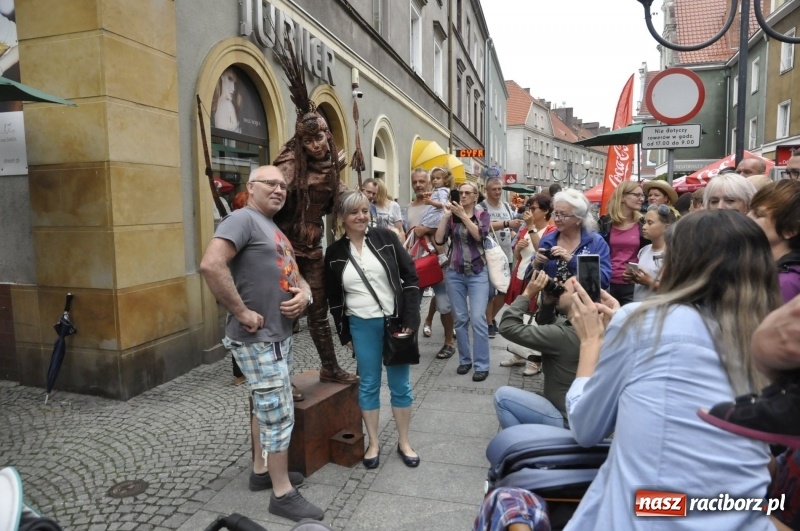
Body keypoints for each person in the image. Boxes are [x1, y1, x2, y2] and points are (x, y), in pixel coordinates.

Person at [564, 210, 783, 530]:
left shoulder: (643, 322)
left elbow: (586, 427)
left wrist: (592, 342)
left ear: (682, 263)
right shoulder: (768, 339)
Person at [199, 166, 324, 522]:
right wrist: (241, 311)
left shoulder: (272, 227)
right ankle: (282, 493)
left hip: (277, 335)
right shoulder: (242, 219)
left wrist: (305, 293)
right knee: (278, 413)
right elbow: (211, 265)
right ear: (251, 187)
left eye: (283, 186)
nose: (279, 189)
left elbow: (294, 273)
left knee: (262, 403)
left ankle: (260, 471)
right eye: (271, 183)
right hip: (259, 338)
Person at [271, 42, 358, 385]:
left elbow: (339, 200)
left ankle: (329, 368)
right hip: (286, 248)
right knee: (287, 315)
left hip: (314, 247)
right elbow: (274, 193)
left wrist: (358, 206)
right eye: (310, 141)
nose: (318, 144)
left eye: (321, 136)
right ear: (301, 143)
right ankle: (281, 379)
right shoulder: (291, 164)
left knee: (319, 311)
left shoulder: (332, 167)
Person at [324, 191, 421, 469]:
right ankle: (374, 443)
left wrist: (411, 321)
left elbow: (410, 277)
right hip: (361, 325)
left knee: (400, 385)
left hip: (395, 323)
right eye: (354, 212)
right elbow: (334, 299)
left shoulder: (386, 239)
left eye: (365, 211)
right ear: (342, 217)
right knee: (368, 384)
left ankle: (404, 442)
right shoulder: (333, 253)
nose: (361, 217)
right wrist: (345, 335)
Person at [495, 270, 580, 428]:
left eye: (564, 290)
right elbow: (550, 323)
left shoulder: (562, 335)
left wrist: (527, 294)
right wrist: (548, 304)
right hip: (577, 414)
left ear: (577, 297)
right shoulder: (584, 326)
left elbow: (507, 327)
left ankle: (523, 448)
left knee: (503, 397)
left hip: (565, 419)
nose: (558, 291)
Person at [435, 181, 492, 381]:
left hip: (478, 272)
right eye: (461, 192)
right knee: (460, 319)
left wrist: (463, 217)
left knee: (477, 318)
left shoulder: (482, 215)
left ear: (476, 196)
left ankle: (482, 365)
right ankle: (465, 360)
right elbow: (439, 240)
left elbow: (480, 235)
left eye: (468, 193)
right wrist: (446, 216)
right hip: (454, 272)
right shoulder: (452, 216)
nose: (464, 195)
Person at [501, 193, 556, 376]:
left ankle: (534, 360)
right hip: (521, 275)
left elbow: (543, 250)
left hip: (537, 278)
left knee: (533, 318)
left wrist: (531, 227)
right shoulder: (525, 229)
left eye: (533, 209)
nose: (529, 212)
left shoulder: (550, 230)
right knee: (520, 315)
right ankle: (519, 353)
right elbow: (519, 256)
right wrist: (517, 249)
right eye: (529, 208)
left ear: (546, 211)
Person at [407, 168, 455, 360]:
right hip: (416, 264)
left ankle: (449, 342)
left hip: (437, 262)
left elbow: (449, 225)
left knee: (444, 305)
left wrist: (426, 228)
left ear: (430, 183)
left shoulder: (441, 201)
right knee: (414, 305)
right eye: (415, 182)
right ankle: (412, 345)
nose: (418, 185)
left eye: (422, 181)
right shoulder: (409, 207)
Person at [534, 189, 611, 289]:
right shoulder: (547, 240)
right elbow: (529, 277)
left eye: (563, 215)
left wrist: (571, 260)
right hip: (550, 303)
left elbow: (604, 280)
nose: (557, 219)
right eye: (556, 214)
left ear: (578, 219)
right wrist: (536, 263)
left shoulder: (596, 242)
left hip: (584, 303)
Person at [481, 177, 523, 338]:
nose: (497, 192)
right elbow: (483, 228)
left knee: (505, 290)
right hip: (489, 256)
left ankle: (490, 317)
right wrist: (507, 223)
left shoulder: (506, 205)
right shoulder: (482, 207)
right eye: (494, 189)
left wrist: (515, 235)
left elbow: (510, 227)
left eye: (499, 189)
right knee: (490, 292)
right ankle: (489, 323)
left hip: (506, 254)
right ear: (487, 190)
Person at [747, 179, 800, 302]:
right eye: (750, 210)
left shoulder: (786, 284)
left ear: (791, 230)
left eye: (758, 215)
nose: (747, 217)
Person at [597, 182, 646, 305]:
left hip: (632, 283)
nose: (641, 199)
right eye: (637, 195)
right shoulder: (605, 222)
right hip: (607, 282)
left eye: (642, 195)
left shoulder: (643, 223)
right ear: (623, 197)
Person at [626, 204, 676, 301]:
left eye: (650, 223)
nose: (644, 227)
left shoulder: (671, 253)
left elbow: (673, 288)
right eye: (644, 222)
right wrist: (633, 277)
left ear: (666, 227)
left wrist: (649, 282)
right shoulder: (644, 250)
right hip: (639, 308)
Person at [418, 166, 452, 230]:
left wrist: (431, 202)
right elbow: (436, 196)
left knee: (427, 231)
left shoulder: (443, 191)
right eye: (433, 178)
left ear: (445, 180)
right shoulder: (437, 190)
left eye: (438, 178)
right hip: (431, 214)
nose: (435, 180)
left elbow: (442, 204)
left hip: (435, 217)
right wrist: (430, 194)